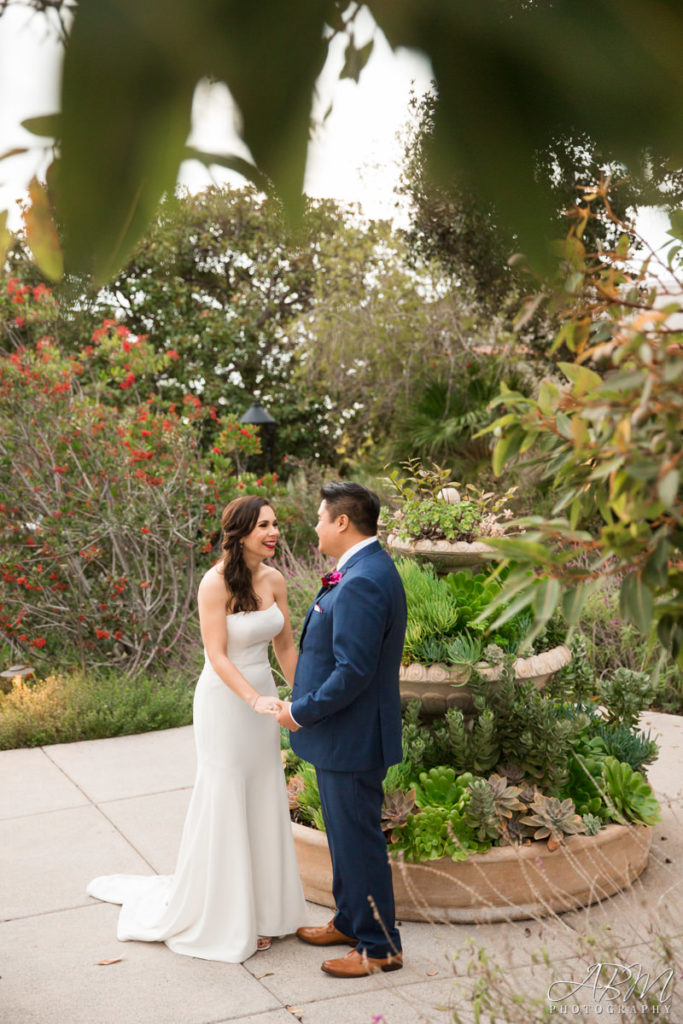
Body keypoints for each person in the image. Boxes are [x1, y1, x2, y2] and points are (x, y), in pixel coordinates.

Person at [87, 496, 307, 962]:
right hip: (227, 701)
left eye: (275, 524)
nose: (273, 532)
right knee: (227, 794)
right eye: (263, 525)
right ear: (241, 532)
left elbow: (286, 646)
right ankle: (229, 915)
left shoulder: (275, 579)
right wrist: (253, 699)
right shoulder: (214, 583)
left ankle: (268, 911)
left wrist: (305, 697)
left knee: (264, 793)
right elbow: (218, 656)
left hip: (265, 697)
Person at [276, 481, 407, 978]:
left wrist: (301, 710)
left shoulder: (364, 580)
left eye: (319, 517)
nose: (315, 526)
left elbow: (353, 672)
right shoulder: (358, 570)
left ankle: (380, 946)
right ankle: (352, 921)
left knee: (359, 842)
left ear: (342, 523)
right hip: (341, 738)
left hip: (350, 738)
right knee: (345, 840)